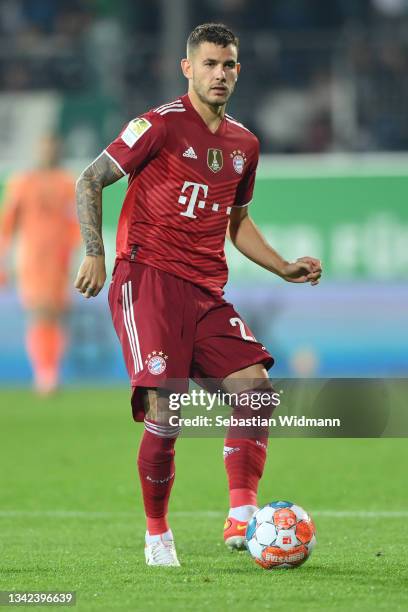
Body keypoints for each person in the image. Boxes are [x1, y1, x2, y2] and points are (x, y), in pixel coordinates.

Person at [74, 23, 322, 566]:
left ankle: (242, 512)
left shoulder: (244, 144)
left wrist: (282, 266)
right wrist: (94, 250)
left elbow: (238, 223)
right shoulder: (158, 126)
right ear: (188, 68)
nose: (220, 74)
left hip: (206, 289)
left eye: (228, 64)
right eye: (209, 64)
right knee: (169, 407)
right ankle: (158, 533)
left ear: (239, 70)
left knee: (255, 389)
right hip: (148, 281)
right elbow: (89, 180)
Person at [0, 134, 80, 394]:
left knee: (57, 316)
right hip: (33, 258)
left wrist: (77, 255)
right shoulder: (22, 182)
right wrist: (4, 260)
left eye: (53, 147)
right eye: (44, 147)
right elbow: (7, 224)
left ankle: (51, 369)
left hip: (60, 259)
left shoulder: (67, 183)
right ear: (38, 151)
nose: (48, 152)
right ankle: (44, 372)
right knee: (39, 313)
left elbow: (74, 224)